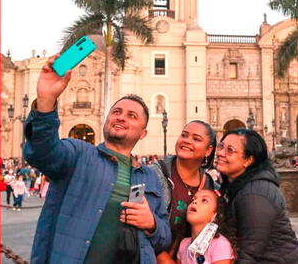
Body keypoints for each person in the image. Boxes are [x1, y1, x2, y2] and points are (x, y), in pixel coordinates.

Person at [24, 55, 170, 264]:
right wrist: (46, 100)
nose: (121, 117)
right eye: (116, 112)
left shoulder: (150, 177)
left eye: (132, 116)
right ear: (107, 119)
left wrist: (151, 223)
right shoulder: (79, 154)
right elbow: (41, 152)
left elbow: (163, 238)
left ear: (143, 133)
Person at [216, 128, 298, 263]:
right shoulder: (242, 186)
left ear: (248, 160)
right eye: (221, 146)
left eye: (230, 150)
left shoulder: (254, 194)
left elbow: (250, 252)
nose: (220, 153)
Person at [149, 120, 217, 263]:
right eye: (184, 135)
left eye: (196, 139)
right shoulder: (154, 175)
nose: (187, 141)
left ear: (209, 150)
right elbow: (141, 226)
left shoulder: (210, 187)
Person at [176, 189, 235, 264]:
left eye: (204, 200)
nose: (195, 201)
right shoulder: (183, 244)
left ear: (216, 216)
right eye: (194, 199)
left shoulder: (220, 245)